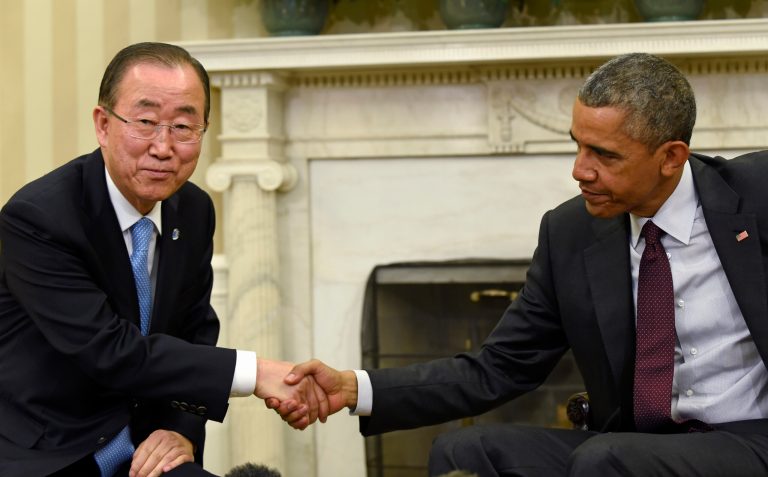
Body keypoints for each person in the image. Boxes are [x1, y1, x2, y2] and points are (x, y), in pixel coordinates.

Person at [270, 52, 768, 476]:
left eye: (604, 155)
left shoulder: (757, 196)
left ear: (671, 157)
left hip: (747, 440)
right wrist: (356, 387)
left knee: (605, 459)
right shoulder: (571, 232)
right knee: (466, 451)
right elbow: (499, 367)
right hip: (630, 445)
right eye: (577, 144)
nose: (579, 169)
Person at [0, 42, 324, 477]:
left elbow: (195, 331)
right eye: (146, 122)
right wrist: (255, 372)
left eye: (184, 126)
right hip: (52, 452)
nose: (163, 146)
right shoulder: (39, 218)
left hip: (146, 447)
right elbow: (110, 350)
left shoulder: (192, 209)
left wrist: (182, 429)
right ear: (103, 124)